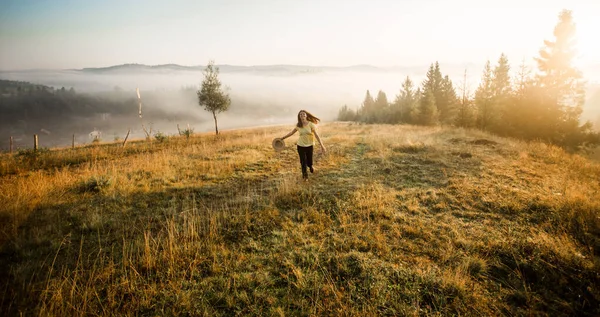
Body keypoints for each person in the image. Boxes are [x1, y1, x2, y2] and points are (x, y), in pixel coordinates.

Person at [281, 110, 326, 180]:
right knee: (303, 162)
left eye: (303, 114)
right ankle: (305, 177)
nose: (302, 116)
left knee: (309, 161)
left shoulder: (310, 124)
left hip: (310, 145)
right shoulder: (298, 125)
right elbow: (291, 133)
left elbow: (316, 135)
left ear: (306, 116)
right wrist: (283, 138)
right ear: (299, 117)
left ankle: (310, 166)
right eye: (301, 115)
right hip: (300, 145)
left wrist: (322, 145)